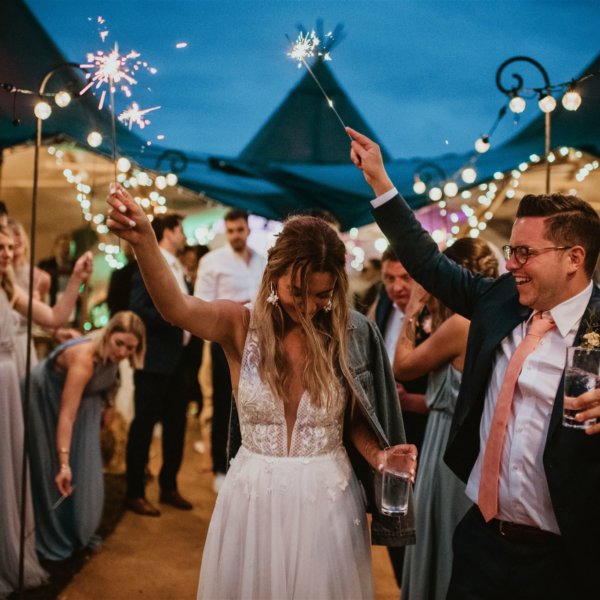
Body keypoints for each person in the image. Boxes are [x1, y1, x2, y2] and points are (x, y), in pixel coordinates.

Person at [107, 184, 417, 600]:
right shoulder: (239, 326)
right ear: (274, 271)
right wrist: (145, 239)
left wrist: (379, 455)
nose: (309, 307)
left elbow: (355, 419)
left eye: (322, 295)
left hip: (327, 502)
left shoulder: (350, 332)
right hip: (253, 501)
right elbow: (176, 309)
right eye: (298, 292)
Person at [349, 126, 600, 600]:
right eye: (512, 251)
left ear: (574, 258)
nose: (511, 264)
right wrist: (382, 183)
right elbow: (428, 262)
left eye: (525, 253)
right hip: (481, 541)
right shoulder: (500, 301)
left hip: (564, 559)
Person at [395, 238, 499, 600]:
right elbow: (454, 400)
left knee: (440, 536)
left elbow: (402, 366)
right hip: (468, 446)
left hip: (446, 452)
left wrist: (413, 305)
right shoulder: (490, 321)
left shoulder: (461, 324)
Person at [0, 224, 92, 596]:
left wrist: (76, 281)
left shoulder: (10, 291)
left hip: (7, 384)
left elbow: (54, 317)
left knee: (7, 464)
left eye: (9, 247)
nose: (7, 252)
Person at [26, 311, 145, 561]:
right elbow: (67, 416)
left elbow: (112, 379)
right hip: (46, 400)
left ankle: (77, 529)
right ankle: (54, 532)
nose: (123, 352)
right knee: (52, 466)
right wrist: (64, 463)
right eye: (119, 344)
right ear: (108, 335)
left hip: (85, 408)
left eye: (131, 347)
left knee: (88, 469)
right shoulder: (85, 360)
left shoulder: (113, 354)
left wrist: (109, 403)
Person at [193, 209, 266, 492]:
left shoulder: (262, 261)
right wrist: (238, 305)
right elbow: (201, 302)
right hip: (223, 341)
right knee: (224, 406)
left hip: (259, 342)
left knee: (253, 403)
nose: (236, 235)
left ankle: (248, 463)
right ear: (226, 231)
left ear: (248, 230)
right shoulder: (212, 261)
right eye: (231, 230)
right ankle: (221, 467)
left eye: (240, 230)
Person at [126, 213, 193, 516]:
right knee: (143, 426)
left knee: (176, 426)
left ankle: (169, 486)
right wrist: (175, 321)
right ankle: (135, 492)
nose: (184, 236)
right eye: (181, 230)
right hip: (154, 360)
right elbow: (138, 308)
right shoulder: (150, 263)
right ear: (168, 232)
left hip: (180, 362)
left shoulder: (180, 267)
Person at [7, 217, 51, 376]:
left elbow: (47, 321)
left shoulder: (40, 278)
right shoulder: (2, 277)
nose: (16, 239)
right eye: (11, 235)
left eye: (19, 234)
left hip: (23, 344)